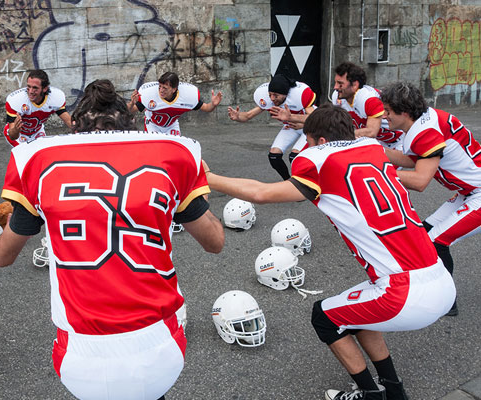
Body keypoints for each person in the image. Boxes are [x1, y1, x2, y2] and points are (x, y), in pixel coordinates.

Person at [204, 104, 455, 400]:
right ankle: (393, 390)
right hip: (438, 276)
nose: (305, 147)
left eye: (308, 141)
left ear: (320, 142)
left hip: (403, 291)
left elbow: (261, 193)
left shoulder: (321, 160)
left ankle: (369, 394)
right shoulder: (372, 149)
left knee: (324, 317)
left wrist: (206, 176)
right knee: (356, 313)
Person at [0, 79, 224, 400]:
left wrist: (24, 216)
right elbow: (215, 242)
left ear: (75, 125)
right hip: (159, 347)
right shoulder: (175, 152)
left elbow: (3, 257)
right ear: (128, 119)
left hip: (80, 356)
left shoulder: (35, 158)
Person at [381, 81, 481, 317]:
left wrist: (381, 171)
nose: (384, 116)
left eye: (387, 111)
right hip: (470, 191)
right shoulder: (425, 119)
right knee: (424, 232)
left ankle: (447, 301)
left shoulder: (425, 131)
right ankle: (432, 291)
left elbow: (419, 180)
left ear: (403, 112)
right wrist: (372, 151)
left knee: (436, 242)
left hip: (478, 193)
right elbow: (416, 159)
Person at [227, 74, 316, 180]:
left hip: (310, 127)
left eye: (276, 95)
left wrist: (299, 122)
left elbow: (316, 119)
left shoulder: (299, 95)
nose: (272, 99)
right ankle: (288, 182)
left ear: (285, 94)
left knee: (295, 157)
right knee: (274, 156)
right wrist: (238, 116)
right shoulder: (269, 99)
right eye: (270, 95)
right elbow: (247, 116)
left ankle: (307, 183)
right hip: (290, 127)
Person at [331, 61, 403, 148]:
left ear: (354, 85)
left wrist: (340, 136)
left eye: (340, 84)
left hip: (400, 140)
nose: (335, 87)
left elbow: (371, 132)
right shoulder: (337, 97)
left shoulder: (367, 99)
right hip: (378, 141)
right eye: (335, 83)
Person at [128, 71, 223, 136]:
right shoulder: (150, 95)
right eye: (160, 86)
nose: (161, 90)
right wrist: (132, 103)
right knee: (156, 149)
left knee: (175, 151)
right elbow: (129, 111)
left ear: (174, 89)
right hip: (153, 124)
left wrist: (213, 104)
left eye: (165, 88)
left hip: (171, 125)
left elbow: (207, 108)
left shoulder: (186, 96)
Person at [3, 69, 72, 146]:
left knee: (43, 155)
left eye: (35, 88)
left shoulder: (54, 98)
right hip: (19, 135)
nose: (31, 91)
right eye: (29, 87)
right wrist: (16, 129)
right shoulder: (17, 100)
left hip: (37, 131)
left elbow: (69, 122)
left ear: (45, 88)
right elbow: (13, 136)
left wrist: (82, 135)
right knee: (26, 155)